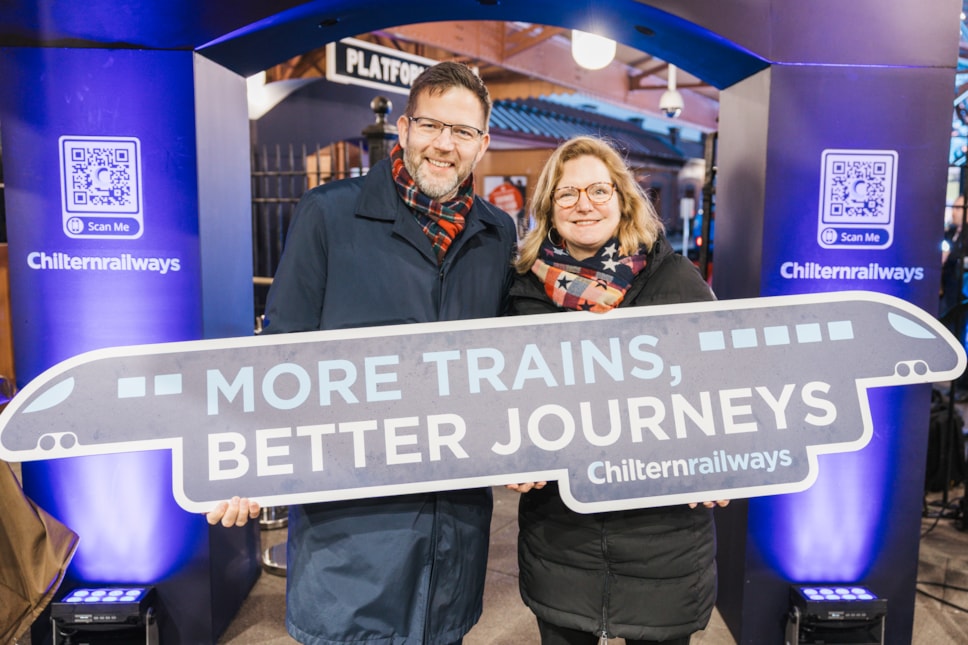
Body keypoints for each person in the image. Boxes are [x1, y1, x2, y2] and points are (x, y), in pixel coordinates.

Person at [206, 61, 517, 645]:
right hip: (352, 529)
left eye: (463, 132)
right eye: (431, 125)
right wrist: (245, 456)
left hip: (452, 528)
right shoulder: (328, 212)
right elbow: (282, 356)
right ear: (403, 128)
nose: (444, 146)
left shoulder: (496, 232)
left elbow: (507, 363)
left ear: (482, 144)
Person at [506, 135, 726, 645]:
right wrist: (508, 453)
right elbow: (501, 399)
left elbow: (725, 388)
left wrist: (723, 457)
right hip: (562, 539)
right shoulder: (520, 287)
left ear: (623, 199)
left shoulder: (677, 281)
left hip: (662, 542)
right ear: (548, 208)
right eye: (567, 194)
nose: (584, 204)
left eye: (599, 190)